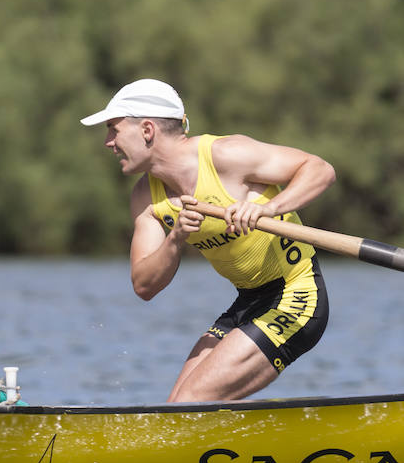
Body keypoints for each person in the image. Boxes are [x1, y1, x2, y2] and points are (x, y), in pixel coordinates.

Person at [81, 78, 335, 402]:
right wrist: (175, 239)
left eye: (113, 129)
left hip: (298, 293)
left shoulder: (226, 155)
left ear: (147, 130)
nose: (108, 142)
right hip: (248, 302)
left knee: (191, 403)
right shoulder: (146, 199)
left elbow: (319, 170)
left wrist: (270, 209)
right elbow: (144, 285)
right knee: (175, 410)